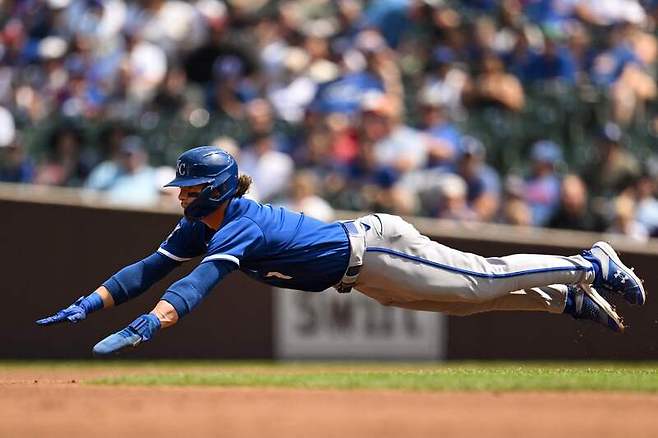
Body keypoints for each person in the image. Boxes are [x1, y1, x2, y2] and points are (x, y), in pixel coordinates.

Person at [37, 146, 646, 355]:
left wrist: (150, 326)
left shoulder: (238, 225)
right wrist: (91, 303)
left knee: (481, 281)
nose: (178, 197)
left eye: (187, 188)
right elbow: (151, 268)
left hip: (376, 248)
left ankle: (591, 261)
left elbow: (194, 287)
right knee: (467, 306)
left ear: (213, 191)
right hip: (360, 277)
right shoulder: (202, 225)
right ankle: (566, 302)